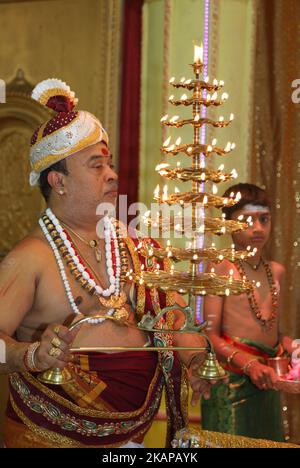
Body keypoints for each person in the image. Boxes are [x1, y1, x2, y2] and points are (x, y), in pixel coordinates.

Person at [0, 78, 215, 448]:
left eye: (110, 164)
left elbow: (174, 316)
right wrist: (31, 354)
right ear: (59, 181)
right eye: (96, 166)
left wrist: (195, 361)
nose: (112, 175)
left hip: (132, 438)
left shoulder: (135, 247)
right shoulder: (30, 258)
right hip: (48, 437)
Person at [201, 183, 295, 442]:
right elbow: (209, 336)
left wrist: (292, 346)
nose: (257, 228)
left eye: (264, 219)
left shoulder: (276, 271)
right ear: (226, 223)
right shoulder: (219, 269)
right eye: (246, 220)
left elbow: (273, 333)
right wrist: (249, 364)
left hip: (268, 382)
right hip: (232, 385)